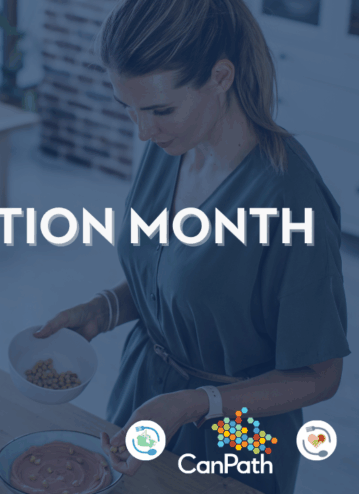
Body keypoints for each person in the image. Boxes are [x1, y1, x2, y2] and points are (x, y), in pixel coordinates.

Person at [34, 1, 350, 493]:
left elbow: (320, 375)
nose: (144, 131)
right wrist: (105, 308)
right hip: (144, 398)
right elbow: (182, 277)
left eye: (161, 109)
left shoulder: (291, 198)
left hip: (240, 430)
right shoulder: (169, 148)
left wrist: (192, 404)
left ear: (221, 77)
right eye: (130, 109)